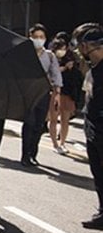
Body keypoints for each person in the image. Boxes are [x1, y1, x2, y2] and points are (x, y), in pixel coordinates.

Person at [20, 23, 63, 166]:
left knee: (39, 124)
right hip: (27, 93)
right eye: (36, 37)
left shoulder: (50, 56)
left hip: (43, 93)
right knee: (29, 123)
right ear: (30, 37)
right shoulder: (23, 53)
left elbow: (56, 75)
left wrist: (57, 94)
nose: (39, 39)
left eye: (41, 37)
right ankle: (25, 155)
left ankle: (33, 154)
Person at [74, 23, 103, 230]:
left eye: (79, 46)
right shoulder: (93, 68)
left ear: (86, 45)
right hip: (93, 130)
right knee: (98, 173)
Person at [51, 39, 83, 154]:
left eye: (64, 48)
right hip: (55, 92)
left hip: (67, 92)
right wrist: (63, 68)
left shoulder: (71, 58)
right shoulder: (51, 58)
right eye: (60, 48)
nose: (62, 51)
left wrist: (71, 67)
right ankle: (55, 143)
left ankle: (62, 143)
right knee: (54, 119)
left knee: (65, 119)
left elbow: (77, 76)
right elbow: (51, 74)